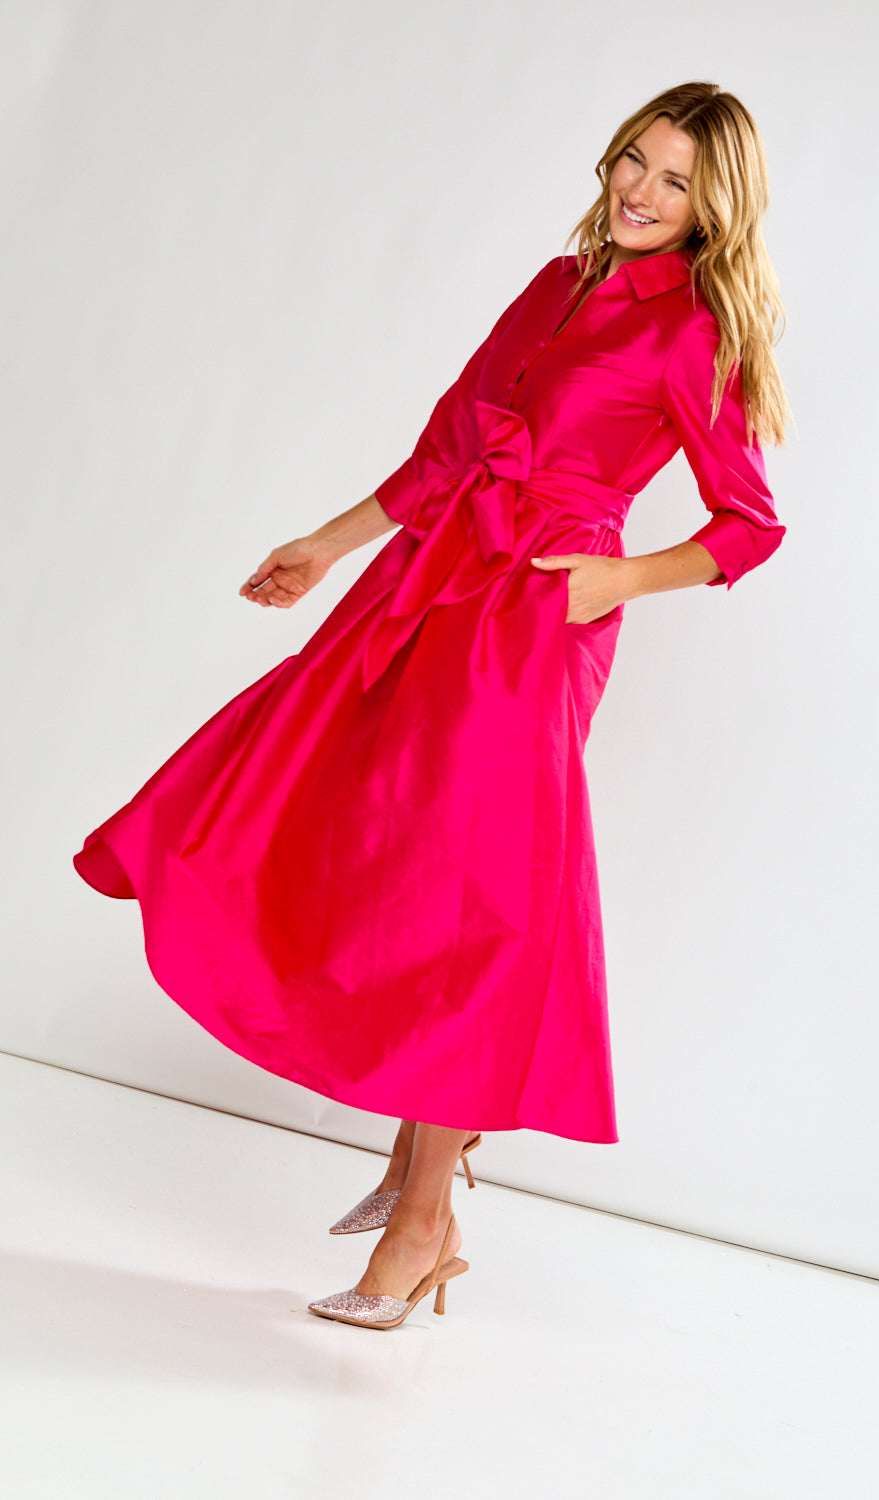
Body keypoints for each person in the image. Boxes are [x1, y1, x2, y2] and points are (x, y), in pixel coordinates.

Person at [73, 81, 788, 1331]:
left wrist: (619, 575)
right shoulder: (554, 283)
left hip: (533, 615)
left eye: (675, 182)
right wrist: (323, 545)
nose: (639, 192)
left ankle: (422, 1219)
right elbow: (448, 453)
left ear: (711, 212)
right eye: (634, 160)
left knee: (479, 899)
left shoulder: (691, 331)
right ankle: (424, 1174)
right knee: (344, 817)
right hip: (428, 576)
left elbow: (750, 525)